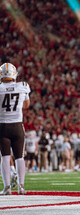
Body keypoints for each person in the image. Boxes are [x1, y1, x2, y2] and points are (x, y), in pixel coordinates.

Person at [0, 63, 30, 195]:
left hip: (2, 126)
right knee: (19, 157)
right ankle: (21, 187)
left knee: (5, 157)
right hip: (17, 125)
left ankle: (7, 187)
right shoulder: (23, 86)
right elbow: (26, 105)